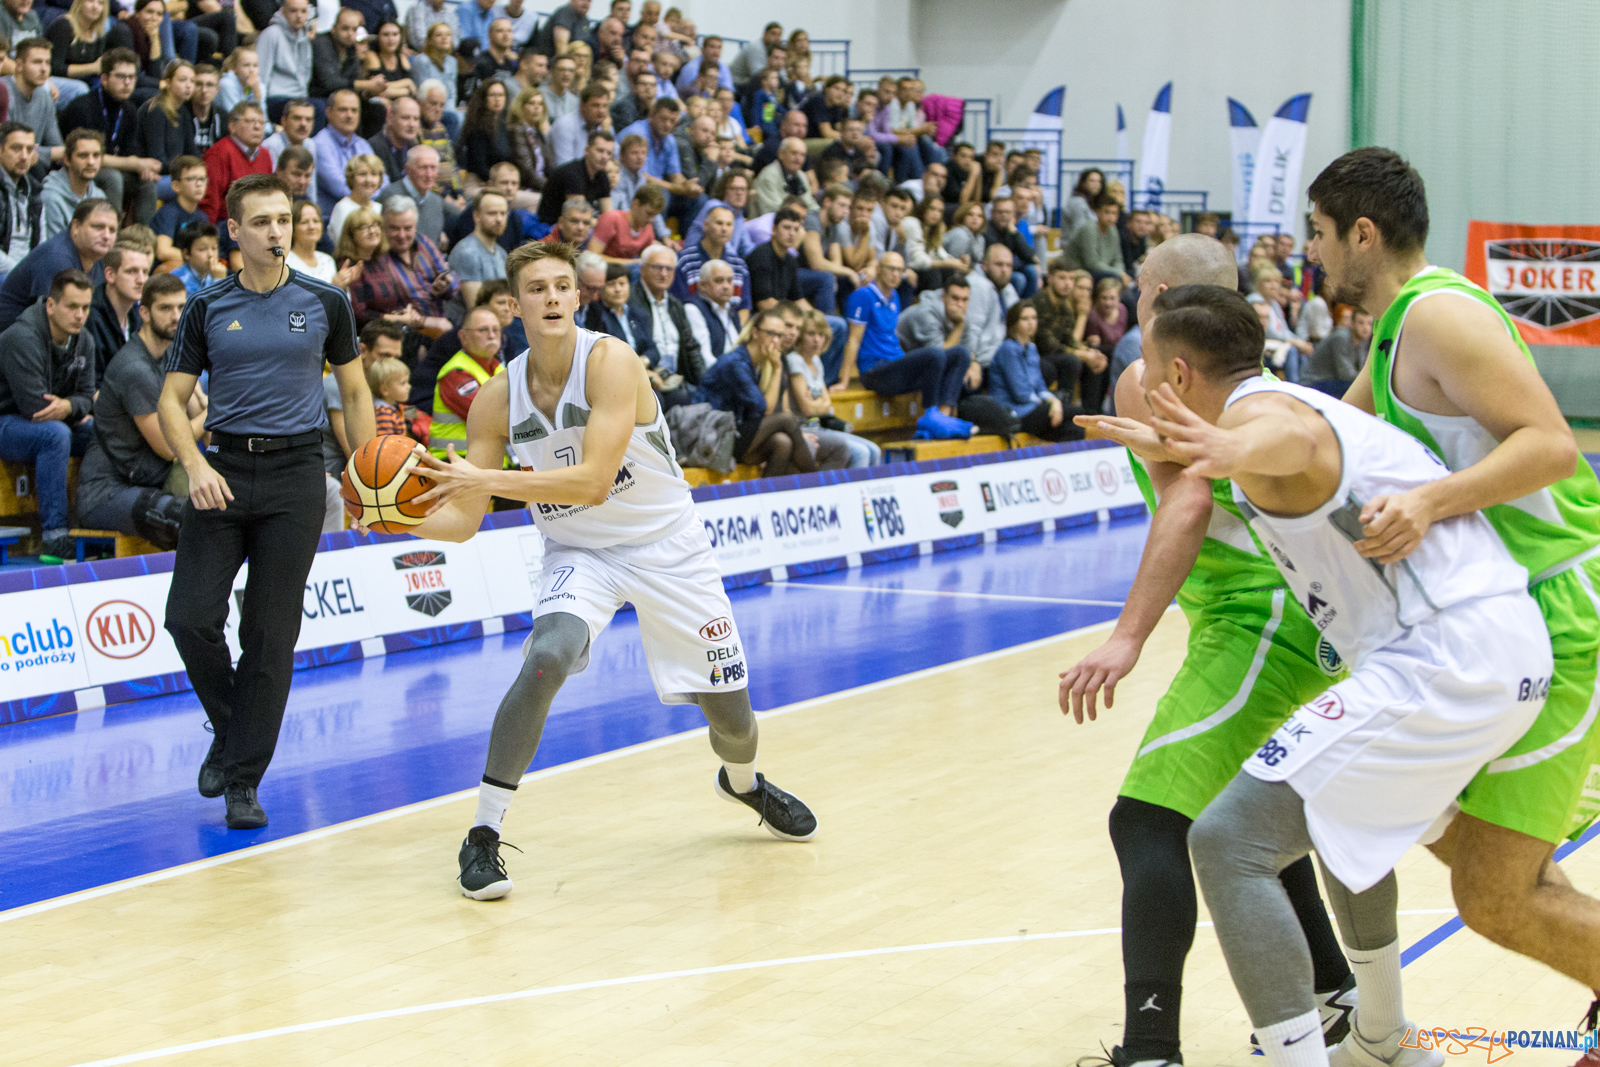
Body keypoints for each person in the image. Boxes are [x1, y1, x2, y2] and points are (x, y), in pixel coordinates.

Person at [1128, 284, 1551, 1067]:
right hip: (1491, 651)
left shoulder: (1266, 418)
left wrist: (1227, 451)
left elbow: (1283, 440)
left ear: (1179, 374)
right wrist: (1204, 451)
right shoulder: (1290, 402)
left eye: (1147, 362)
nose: (1140, 372)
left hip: (1443, 661)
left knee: (1227, 843)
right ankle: (1384, 1041)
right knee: (1342, 817)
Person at [400, 240, 814, 900]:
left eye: (564, 285)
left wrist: (485, 475)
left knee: (733, 720)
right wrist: (387, 518)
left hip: (668, 547)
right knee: (546, 657)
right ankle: (482, 834)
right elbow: (464, 519)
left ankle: (744, 783)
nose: (554, 297)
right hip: (579, 551)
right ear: (513, 305)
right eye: (538, 288)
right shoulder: (495, 398)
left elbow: (593, 481)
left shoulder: (611, 362)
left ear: (578, 295)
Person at [1306, 147, 1600, 1021]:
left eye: (1319, 234)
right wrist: (1206, 436)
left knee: (1498, 895)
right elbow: (1330, 440)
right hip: (1492, 621)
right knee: (1431, 816)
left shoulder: (1437, 316)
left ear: (1362, 232)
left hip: (1561, 610)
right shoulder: (1395, 329)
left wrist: (1432, 502)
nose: (1312, 253)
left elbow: (1551, 444)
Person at [1060, 236, 1361, 1067]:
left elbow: (1187, 503)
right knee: (1242, 815)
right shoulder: (1257, 380)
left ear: (1154, 293)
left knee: (1149, 818)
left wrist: (1127, 637)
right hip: (1296, 614)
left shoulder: (1152, 372)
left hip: (1257, 619)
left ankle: (1151, 1045)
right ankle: (1340, 994)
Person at [157, 172, 373, 831]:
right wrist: (192, 462)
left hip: (297, 474)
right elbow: (171, 398)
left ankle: (243, 779)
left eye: (285, 219)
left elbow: (357, 394)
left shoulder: (327, 301)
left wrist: (362, 474)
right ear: (235, 232)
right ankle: (231, 728)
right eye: (263, 221)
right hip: (220, 466)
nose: (278, 231)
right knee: (190, 617)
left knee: (269, 636)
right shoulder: (207, 306)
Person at [76, 272, 194, 547]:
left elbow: (199, 408)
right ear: (144, 312)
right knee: (187, 518)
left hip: (148, 482)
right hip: (106, 492)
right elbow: (168, 446)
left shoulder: (171, 355)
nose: (176, 316)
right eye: (165, 308)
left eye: (181, 307)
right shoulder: (134, 368)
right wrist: (213, 416)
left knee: (231, 506)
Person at [0, 267, 98, 561]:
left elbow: (87, 395)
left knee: (99, 431)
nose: (80, 315)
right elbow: (36, 409)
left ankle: (93, 525)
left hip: (50, 420)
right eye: (72, 307)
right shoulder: (21, 338)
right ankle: (55, 537)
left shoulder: (85, 340)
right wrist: (75, 406)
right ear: (51, 305)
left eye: (85, 307)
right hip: (6, 421)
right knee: (55, 435)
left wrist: (69, 406)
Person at [836, 249, 964, 416]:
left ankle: (944, 415)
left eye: (900, 270)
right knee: (935, 354)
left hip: (896, 365)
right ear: (879, 268)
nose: (895, 274)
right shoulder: (864, 295)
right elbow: (853, 339)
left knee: (961, 354)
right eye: (891, 269)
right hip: (875, 371)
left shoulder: (894, 296)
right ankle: (931, 416)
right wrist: (844, 382)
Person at [701, 306, 822, 476]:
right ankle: (817, 480)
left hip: (735, 432)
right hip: (714, 437)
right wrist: (778, 368)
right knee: (787, 420)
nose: (775, 340)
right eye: (770, 333)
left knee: (782, 442)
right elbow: (766, 409)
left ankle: (771, 498)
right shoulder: (735, 364)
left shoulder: (757, 363)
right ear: (755, 333)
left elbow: (757, 415)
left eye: (779, 335)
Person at [58, 48, 163, 222]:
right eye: (121, 77)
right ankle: (110, 237)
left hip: (111, 168)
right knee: (112, 178)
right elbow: (87, 156)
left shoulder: (129, 110)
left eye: (132, 77)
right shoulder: (83, 107)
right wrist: (134, 163)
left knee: (147, 184)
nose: (127, 82)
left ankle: (142, 241)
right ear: (104, 79)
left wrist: (143, 169)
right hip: (77, 169)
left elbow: (131, 150)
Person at [0, 197, 117, 332]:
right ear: (76, 227)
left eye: (112, 230)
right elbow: (49, 322)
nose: (106, 236)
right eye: (98, 227)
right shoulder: (57, 259)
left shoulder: (100, 256)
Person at [782, 307, 878, 468]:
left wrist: (816, 403)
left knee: (874, 450)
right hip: (803, 429)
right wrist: (818, 404)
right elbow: (808, 410)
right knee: (861, 452)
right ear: (801, 336)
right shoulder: (794, 361)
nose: (817, 340)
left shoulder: (817, 362)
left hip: (817, 426)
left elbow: (827, 405)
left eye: (821, 335)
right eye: (811, 334)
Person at [348, 195, 456, 333]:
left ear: (415, 225)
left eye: (408, 228)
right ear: (382, 226)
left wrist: (446, 286)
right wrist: (424, 321)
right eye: (394, 228)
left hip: (441, 321)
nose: (402, 235)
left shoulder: (424, 243)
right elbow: (384, 308)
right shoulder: (376, 258)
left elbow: (450, 279)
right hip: (405, 331)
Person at [987, 301, 1081, 442]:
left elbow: (1040, 386)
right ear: (1014, 323)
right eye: (1025, 319)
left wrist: (1053, 401)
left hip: (1033, 408)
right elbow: (1021, 394)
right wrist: (1050, 404)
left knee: (1074, 429)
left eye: (1034, 318)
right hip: (1015, 412)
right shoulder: (1008, 349)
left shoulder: (1031, 348)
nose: (1031, 323)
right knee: (1077, 412)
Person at [427, 302, 503, 458]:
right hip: (456, 462)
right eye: (483, 330)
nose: (491, 335)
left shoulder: (499, 369)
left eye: (496, 330)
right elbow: (490, 418)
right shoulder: (456, 372)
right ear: (463, 337)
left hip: (489, 464)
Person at [631, 243, 702, 403]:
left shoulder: (676, 304)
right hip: (645, 377)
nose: (664, 274)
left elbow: (690, 346)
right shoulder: (631, 301)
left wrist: (703, 381)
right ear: (643, 269)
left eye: (669, 269)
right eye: (658, 267)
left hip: (675, 378)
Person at [199, 101, 271, 222]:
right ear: (232, 126)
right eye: (250, 121)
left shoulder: (265, 155)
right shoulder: (219, 154)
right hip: (228, 225)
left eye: (261, 122)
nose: (257, 127)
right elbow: (209, 202)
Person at [85, 242, 147, 375]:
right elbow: (93, 384)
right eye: (132, 271)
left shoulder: (138, 314)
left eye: (145, 272)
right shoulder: (90, 316)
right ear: (110, 275)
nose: (141, 280)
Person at [310, 89, 373, 217]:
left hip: (363, 216)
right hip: (331, 221)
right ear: (329, 112)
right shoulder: (319, 144)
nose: (349, 115)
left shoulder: (363, 144)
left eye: (354, 110)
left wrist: (369, 193)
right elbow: (340, 188)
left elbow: (383, 180)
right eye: (343, 110)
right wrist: (370, 192)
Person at [3, 39, 65, 168]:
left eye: (47, 63)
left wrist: (39, 152)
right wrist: (34, 150)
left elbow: (57, 146)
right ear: (19, 65)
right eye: (37, 62)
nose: (44, 69)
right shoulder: (4, 93)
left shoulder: (45, 96)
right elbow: (6, 148)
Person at [447, 189, 509, 306]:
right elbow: (476, 308)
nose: (499, 219)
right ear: (476, 216)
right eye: (492, 213)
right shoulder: (467, 252)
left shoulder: (502, 253)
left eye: (503, 213)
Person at [376, 144, 447, 246]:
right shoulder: (390, 196)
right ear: (408, 169)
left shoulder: (436, 201)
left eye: (433, 168)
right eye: (423, 168)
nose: (429, 174)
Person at [582, 262, 655, 362]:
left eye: (622, 284)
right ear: (601, 289)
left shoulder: (638, 313)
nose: (618, 289)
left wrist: (644, 362)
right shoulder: (595, 314)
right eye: (611, 285)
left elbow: (653, 349)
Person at [254, 0, 313, 120]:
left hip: (299, 97)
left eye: (303, 11)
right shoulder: (271, 33)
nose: (299, 16)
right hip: (276, 98)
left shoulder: (305, 38)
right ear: (283, 11)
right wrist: (260, 109)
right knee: (317, 108)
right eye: (293, 11)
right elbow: (261, 74)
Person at [0, 120, 41, 279]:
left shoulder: (35, 189)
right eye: (16, 148)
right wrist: (21, 274)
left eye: (29, 149)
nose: (24, 156)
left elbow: (41, 242)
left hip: (27, 272)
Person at [681, 255, 738, 364]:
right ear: (702, 285)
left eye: (729, 281)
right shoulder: (693, 309)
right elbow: (704, 358)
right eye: (719, 281)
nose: (726, 286)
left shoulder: (731, 309)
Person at [1064, 191, 1128, 285]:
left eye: (1114, 213)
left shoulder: (1113, 230)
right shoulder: (1089, 228)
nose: (1111, 217)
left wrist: (1120, 271)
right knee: (1115, 279)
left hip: (1103, 271)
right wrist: (1118, 272)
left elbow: (1118, 259)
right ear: (1097, 212)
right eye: (1107, 212)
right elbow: (1092, 263)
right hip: (1080, 271)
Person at [1303, 307, 1370, 397]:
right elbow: (1345, 374)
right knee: (1355, 389)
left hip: (1333, 382)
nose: (1366, 328)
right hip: (1313, 383)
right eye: (1361, 323)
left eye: (1370, 324)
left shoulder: (1363, 340)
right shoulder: (1341, 337)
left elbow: (1361, 369)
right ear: (1352, 323)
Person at [588, 184, 662, 263]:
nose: (651, 220)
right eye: (648, 213)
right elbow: (591, 257)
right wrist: (631, 263)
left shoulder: (648, 228)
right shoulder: (611, 219)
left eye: (654, 215)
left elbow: (648, 259)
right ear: (636, 204)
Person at [459, 78, 513, 186]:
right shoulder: (477, 128)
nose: (497, 99)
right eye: (492, 95)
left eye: (501, 95)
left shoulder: (505, 125)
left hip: (505, 182)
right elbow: (479, 166)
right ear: (484, 98)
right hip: (482, 183)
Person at [751, 134, 814, 217]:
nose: (798, 159)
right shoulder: (769, 176)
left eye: (802, 155)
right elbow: (774, 210)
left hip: (798, 221)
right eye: (794, 153)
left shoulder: (801, 175)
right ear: (781, 154)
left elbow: (811, 204)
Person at [366, 95, 420, 185]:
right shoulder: (374, 148)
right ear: (389, 118)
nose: (412, 124)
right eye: (405, 118)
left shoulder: (414, 147)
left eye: (416, 119)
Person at [286, 196, 337, 283]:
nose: (312, 227)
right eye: (304, 222)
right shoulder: (286, 263)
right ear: (292, 228)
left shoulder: (328, 260)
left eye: (316, 221)